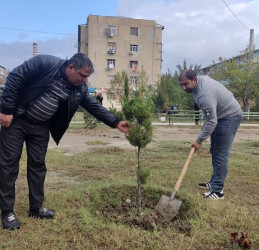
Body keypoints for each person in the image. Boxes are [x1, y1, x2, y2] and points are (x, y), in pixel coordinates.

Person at [0, 53, 130, 230]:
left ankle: (36, 208)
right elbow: (15, 76)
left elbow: (92, 106)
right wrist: (7, 109)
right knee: (8, 165)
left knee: (38, 165)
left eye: (87, 77)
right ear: (70, 68)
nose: (84, 80)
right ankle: (7, 211)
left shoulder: (79, 88)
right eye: (82, 75)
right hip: (17, 120)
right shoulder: (44, 63)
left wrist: (115, 122)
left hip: (41, 127)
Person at [178, 69, 242, 200]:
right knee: (214, 150)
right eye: (181, 85)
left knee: (220, 154)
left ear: (194, 80)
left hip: (229, 116)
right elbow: (210, 118)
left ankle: (218, 191)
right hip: (220, 116)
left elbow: (212, 121)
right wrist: (204, 127)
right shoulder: (198, 85)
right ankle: (214, 181)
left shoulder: (204, 94)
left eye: (186, 84)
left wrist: (199, 140)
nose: (184, 88)